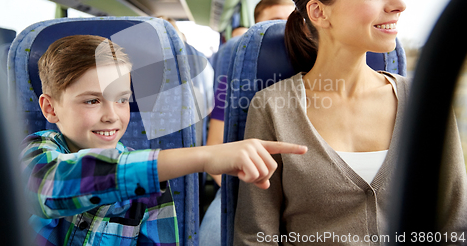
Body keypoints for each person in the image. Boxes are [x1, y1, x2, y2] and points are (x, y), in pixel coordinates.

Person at [233, 0, 467, 245]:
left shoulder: (422, 100)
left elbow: (455, 226)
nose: (399, 4)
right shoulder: (271, 108)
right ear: (319, 12)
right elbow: (255, 237)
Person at [20, 35, 307, 246]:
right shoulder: (35, 152)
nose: (111, 116)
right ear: (50, 108)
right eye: (92, 100)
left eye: (122, 100)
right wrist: (203, 157)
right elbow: (50, 185)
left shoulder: (153, 187)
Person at [199, 0, 295, 246]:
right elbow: (214, 148)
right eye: (276, 21)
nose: (286, 29)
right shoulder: (232, 82)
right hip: (242, 187)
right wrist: (232, 190)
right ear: (256, 30)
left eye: (292, 20)